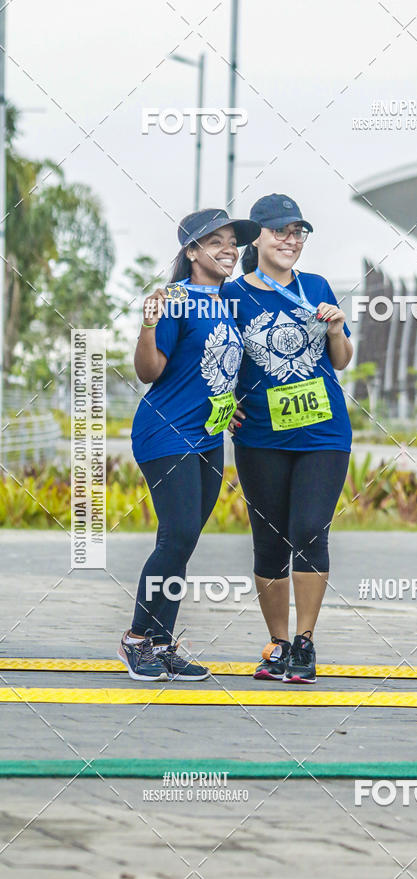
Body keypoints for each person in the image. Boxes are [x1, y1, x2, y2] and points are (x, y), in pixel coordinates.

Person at [119, 209, 260, 681]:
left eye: (232, 242)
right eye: (215, 241)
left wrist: (230, 400)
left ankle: (161, 642)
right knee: (177, 534)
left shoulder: (229, 302)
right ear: (192, 251)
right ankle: (137, 638)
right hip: (165, 432)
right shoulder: (176, 300)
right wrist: (146, 325)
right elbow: (151, 371)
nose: (228, 249)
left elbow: (219, 365)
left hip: (206, 436)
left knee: (182, 542)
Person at [222, 194, 353, 684]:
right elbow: (219, 357)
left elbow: (340, 360)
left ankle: (305, 642)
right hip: (260, 435)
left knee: (310, 531)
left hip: (323, 431)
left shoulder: (316, 285)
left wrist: (337, 328)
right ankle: (277, 644)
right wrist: (224, 403)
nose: (290, 240)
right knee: (270, 542)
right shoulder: (233, 295)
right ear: (256, 237)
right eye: (280, 231)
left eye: (298, 232)